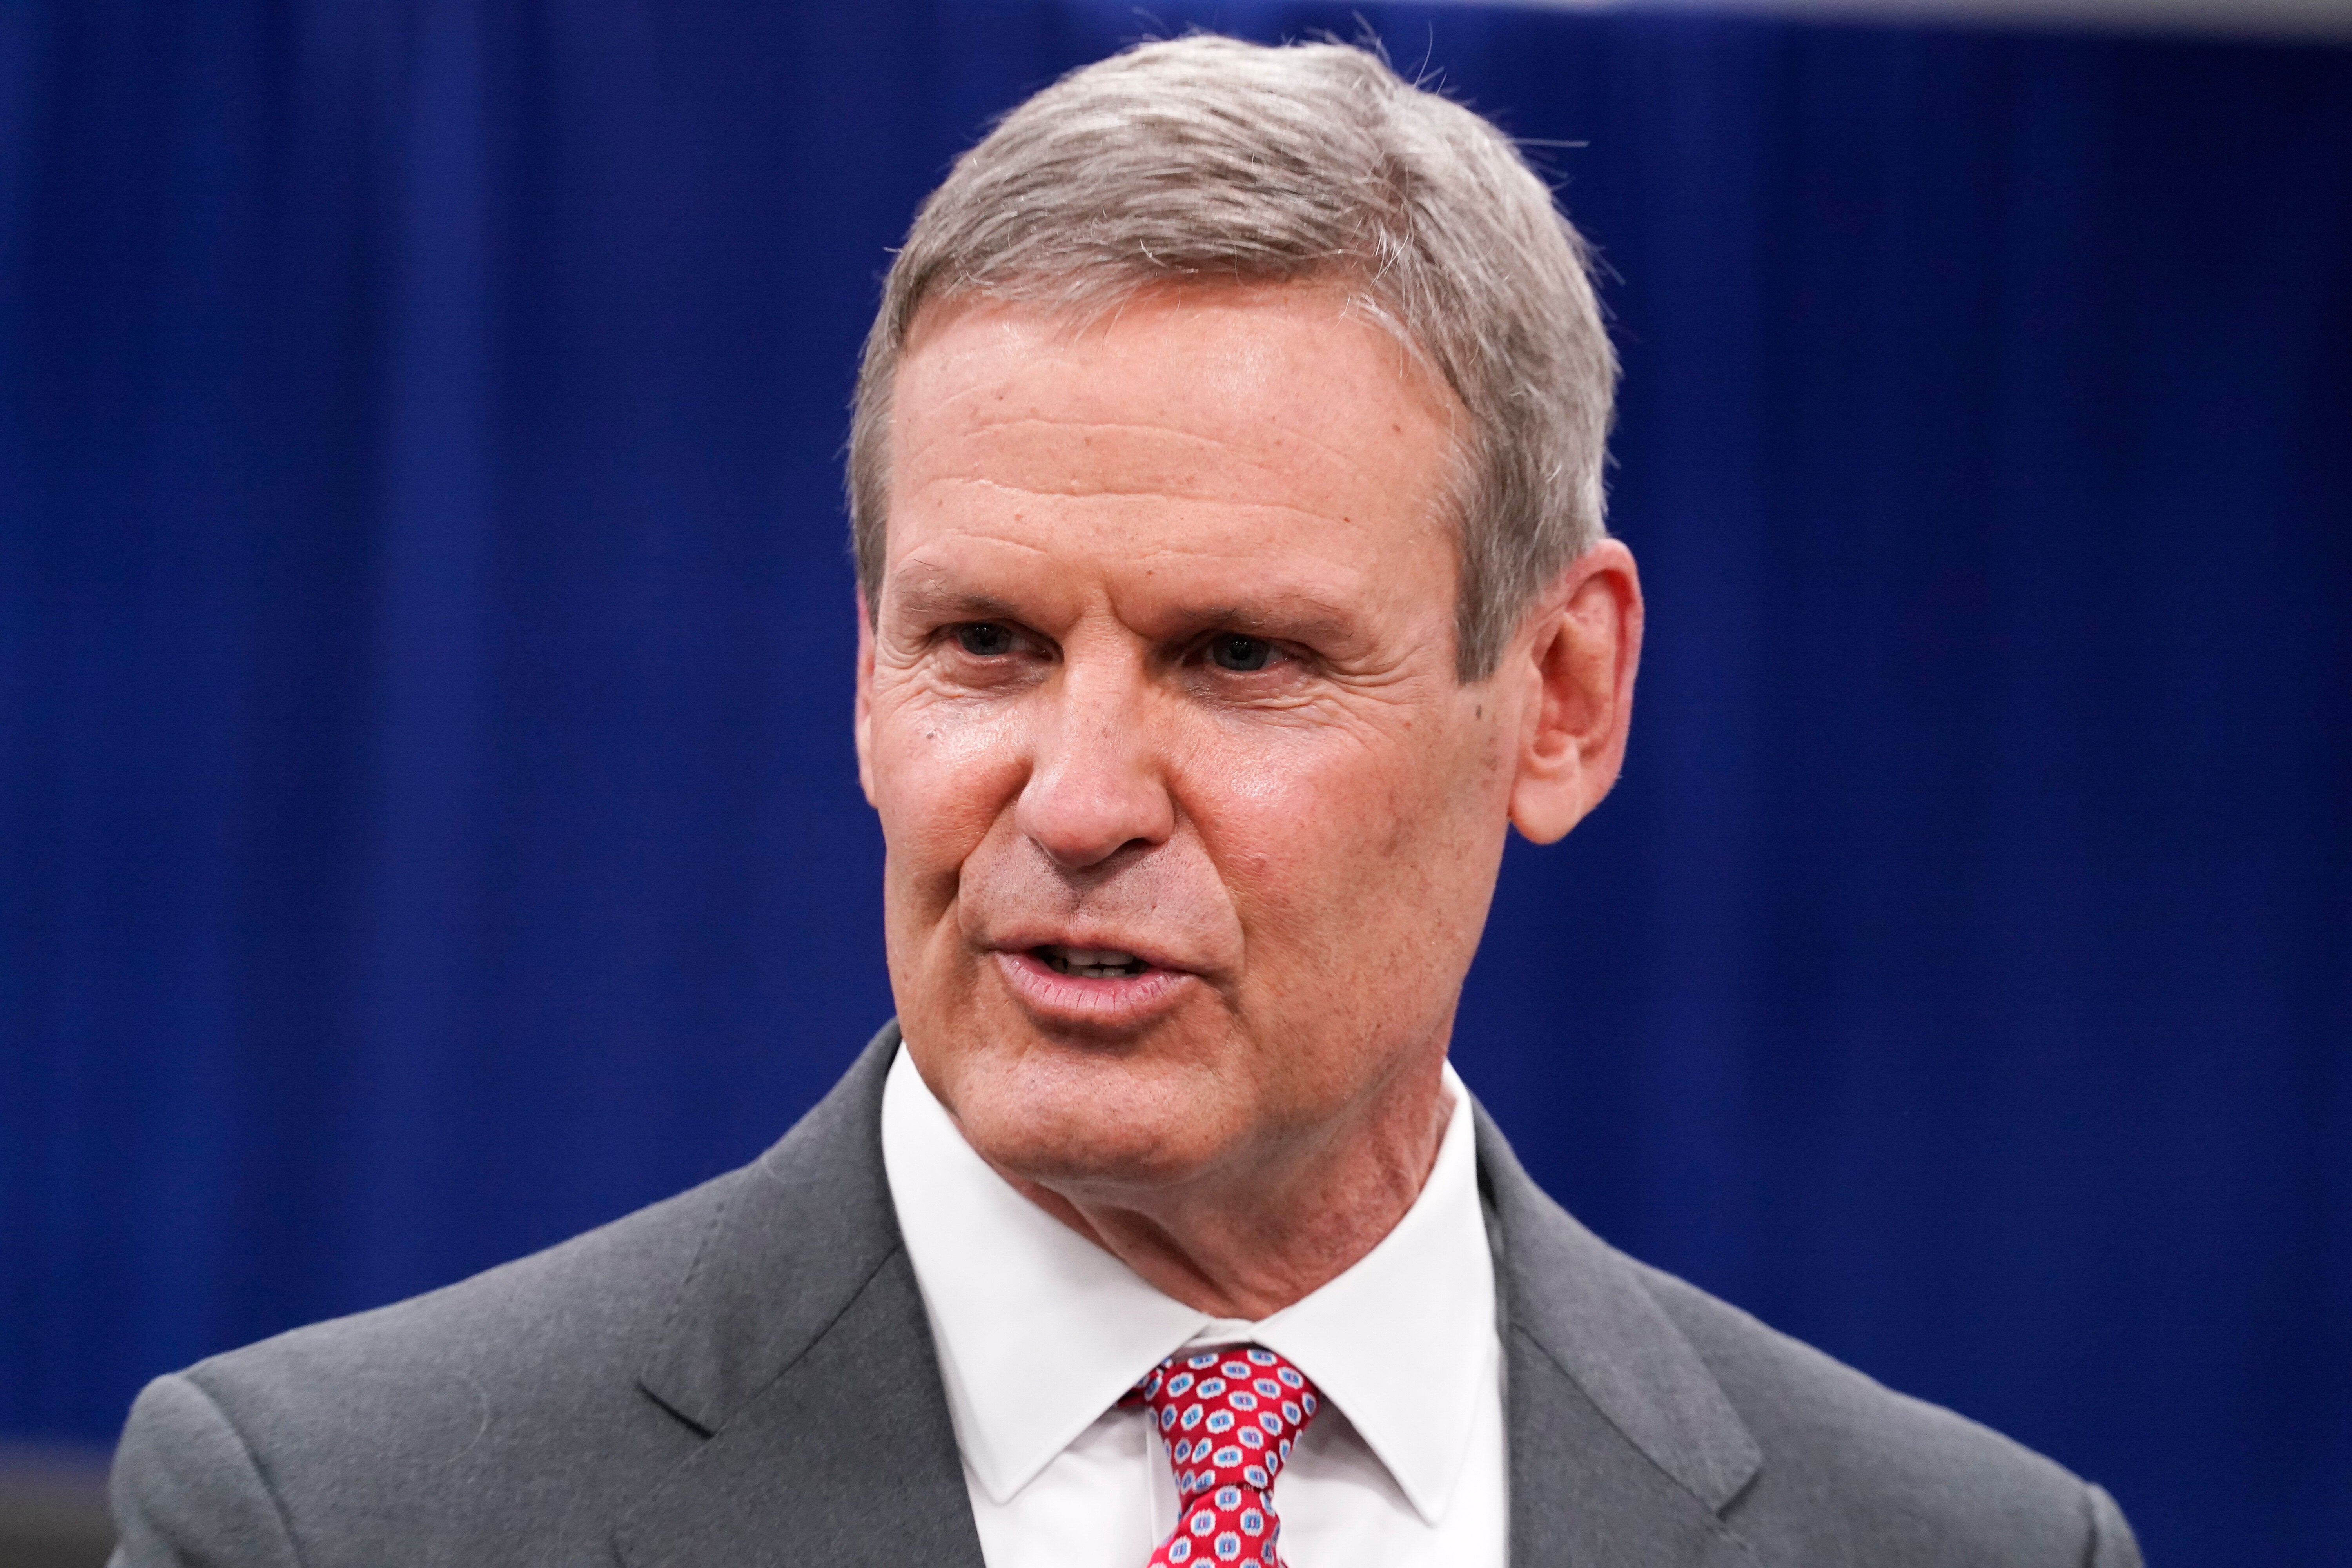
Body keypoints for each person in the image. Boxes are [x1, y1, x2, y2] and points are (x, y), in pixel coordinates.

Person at [107, 34, 2140, 1568]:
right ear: (865, 673)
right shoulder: (337, 1517)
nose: (1077, 806)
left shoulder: (1965, 1548)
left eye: (1240, 657)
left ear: (1561, 698)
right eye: (985, 642)